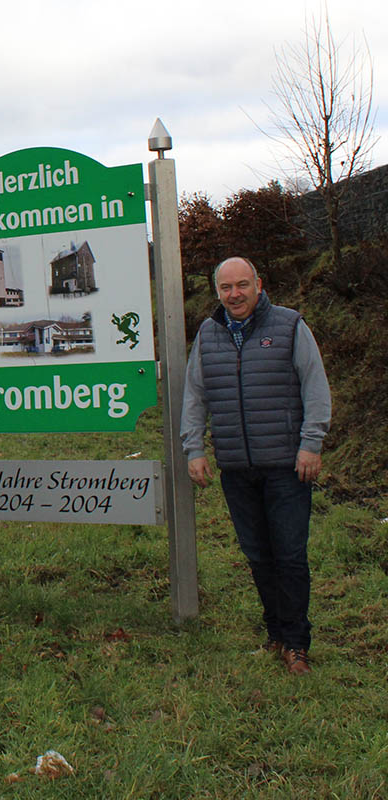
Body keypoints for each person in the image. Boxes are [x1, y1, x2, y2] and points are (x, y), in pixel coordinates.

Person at [181, 256, 331, 675]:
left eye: (242, 285)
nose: (235, 294)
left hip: (287, 465)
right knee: (258, 557)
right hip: (237, 469)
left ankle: (298, 644)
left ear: (259, 285)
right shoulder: (209, 335)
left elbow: (315, 386)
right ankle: (276, 635)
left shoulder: (289, 326)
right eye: (226, 288)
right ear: (217, 292)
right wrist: (195, 448)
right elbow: (195, 396)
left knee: (289, 556)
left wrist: (311, 443)